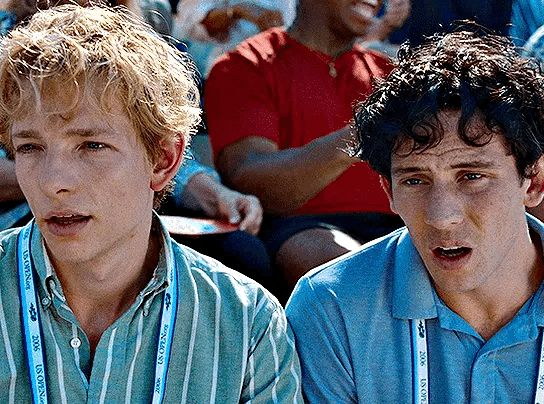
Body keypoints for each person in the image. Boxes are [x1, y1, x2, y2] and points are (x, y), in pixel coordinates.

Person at [0, 4, 301, 402]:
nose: (53, 182)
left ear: (163, 160)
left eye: (92, 145)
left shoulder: (248, 323)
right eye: (29, 147)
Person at [286, 28, 544, 402]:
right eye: (415, 180)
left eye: (472, 176)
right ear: (389, 191)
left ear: (534, 182)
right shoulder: (331, 306)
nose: (441, 216)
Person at [205, 0, 405, 289]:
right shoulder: (245, 65)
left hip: (401, 226)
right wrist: (359, 133)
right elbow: (250, 180)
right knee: (356, 276)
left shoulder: (390, 73)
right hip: (299, 229)